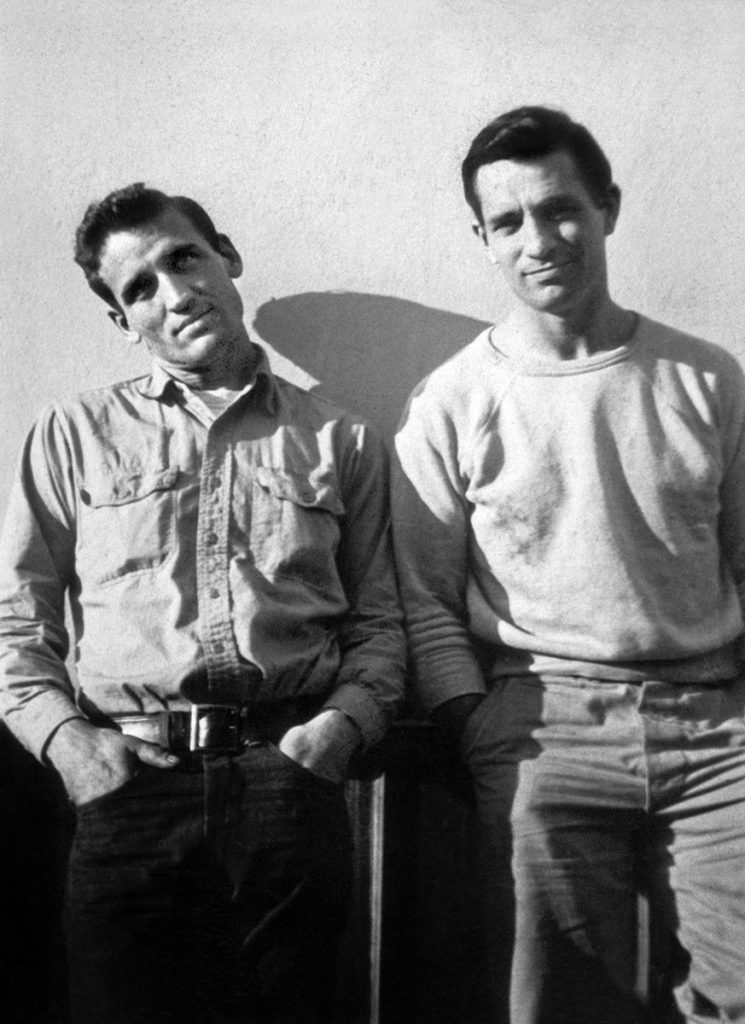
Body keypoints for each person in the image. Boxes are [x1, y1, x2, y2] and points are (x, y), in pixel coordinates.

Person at [0, 182, 405, 1024]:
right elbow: (16, 623)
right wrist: (70, 746)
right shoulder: (72, 434)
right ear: (122, 319)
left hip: (287, 782)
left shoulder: (342, 439)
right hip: (127, 788)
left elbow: (379, 624)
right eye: (140, 287)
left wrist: (336, 733)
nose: (175, 293)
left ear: (228, 257)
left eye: (184, 258)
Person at [392, 106, 745, 1024]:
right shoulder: (450, 401)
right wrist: (477, 723)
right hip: (543, 730)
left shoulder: (707, 378)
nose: (538, 241)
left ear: (606, 209)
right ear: (481, 237)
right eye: (507, 221)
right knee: (559, 1005)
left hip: (719, 733)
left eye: (560, 210)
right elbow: (425, 599)